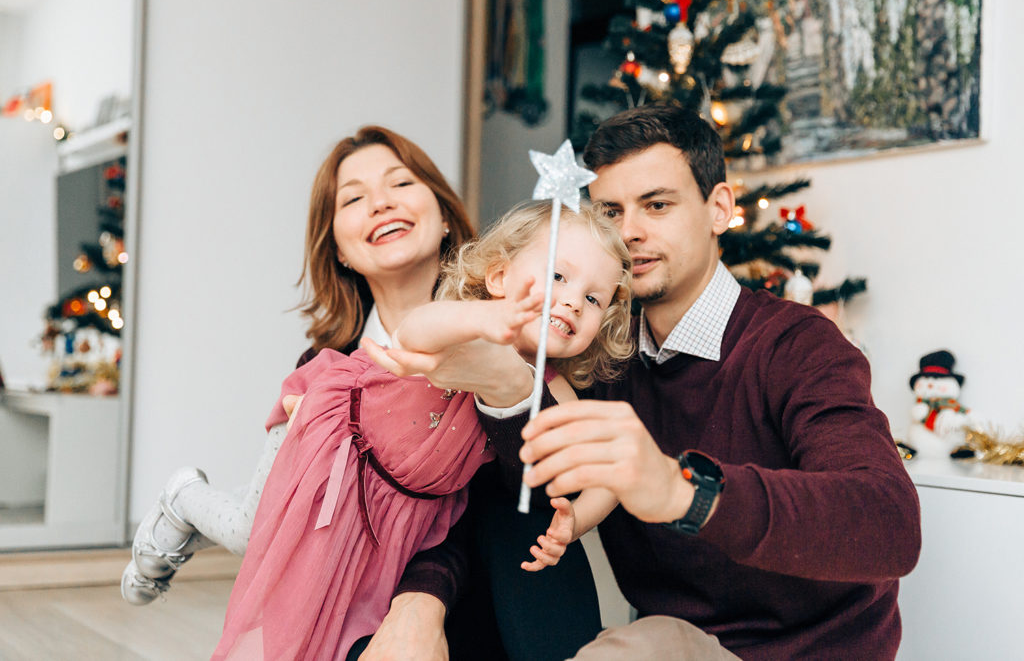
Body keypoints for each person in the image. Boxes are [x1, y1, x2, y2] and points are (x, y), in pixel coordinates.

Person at [366, 105, 923, 660]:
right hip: (672, 641)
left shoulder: (798, 344)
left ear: (719, 209)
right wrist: (421, 600)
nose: (629, 232)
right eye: (610, 211)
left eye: (657, 205)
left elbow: (890, 523)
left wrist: (682, 490)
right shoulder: (597, 353)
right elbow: (499, 500)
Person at [211, 199, 633, 660]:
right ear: (498, 278)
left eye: (594, 299)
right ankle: (187, 501)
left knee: (348, 612)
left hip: (403, 506)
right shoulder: (461, 322)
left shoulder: (554, 388)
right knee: (281, 583)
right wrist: (485, 319)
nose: (572, 301)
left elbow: (608, 473)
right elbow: (414, 332)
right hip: (338, 450)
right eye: (557, 276)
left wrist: (575, 523)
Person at [119, 125, 475, 605]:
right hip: (351, 586)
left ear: (445, 214)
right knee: (260, 528)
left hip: (449, 594)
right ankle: (182, 497)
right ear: (340, 251)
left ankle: (179, 518)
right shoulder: (322, 368)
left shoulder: (492, 336)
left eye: (401, 182)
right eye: (354, 198)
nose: (381, 203)